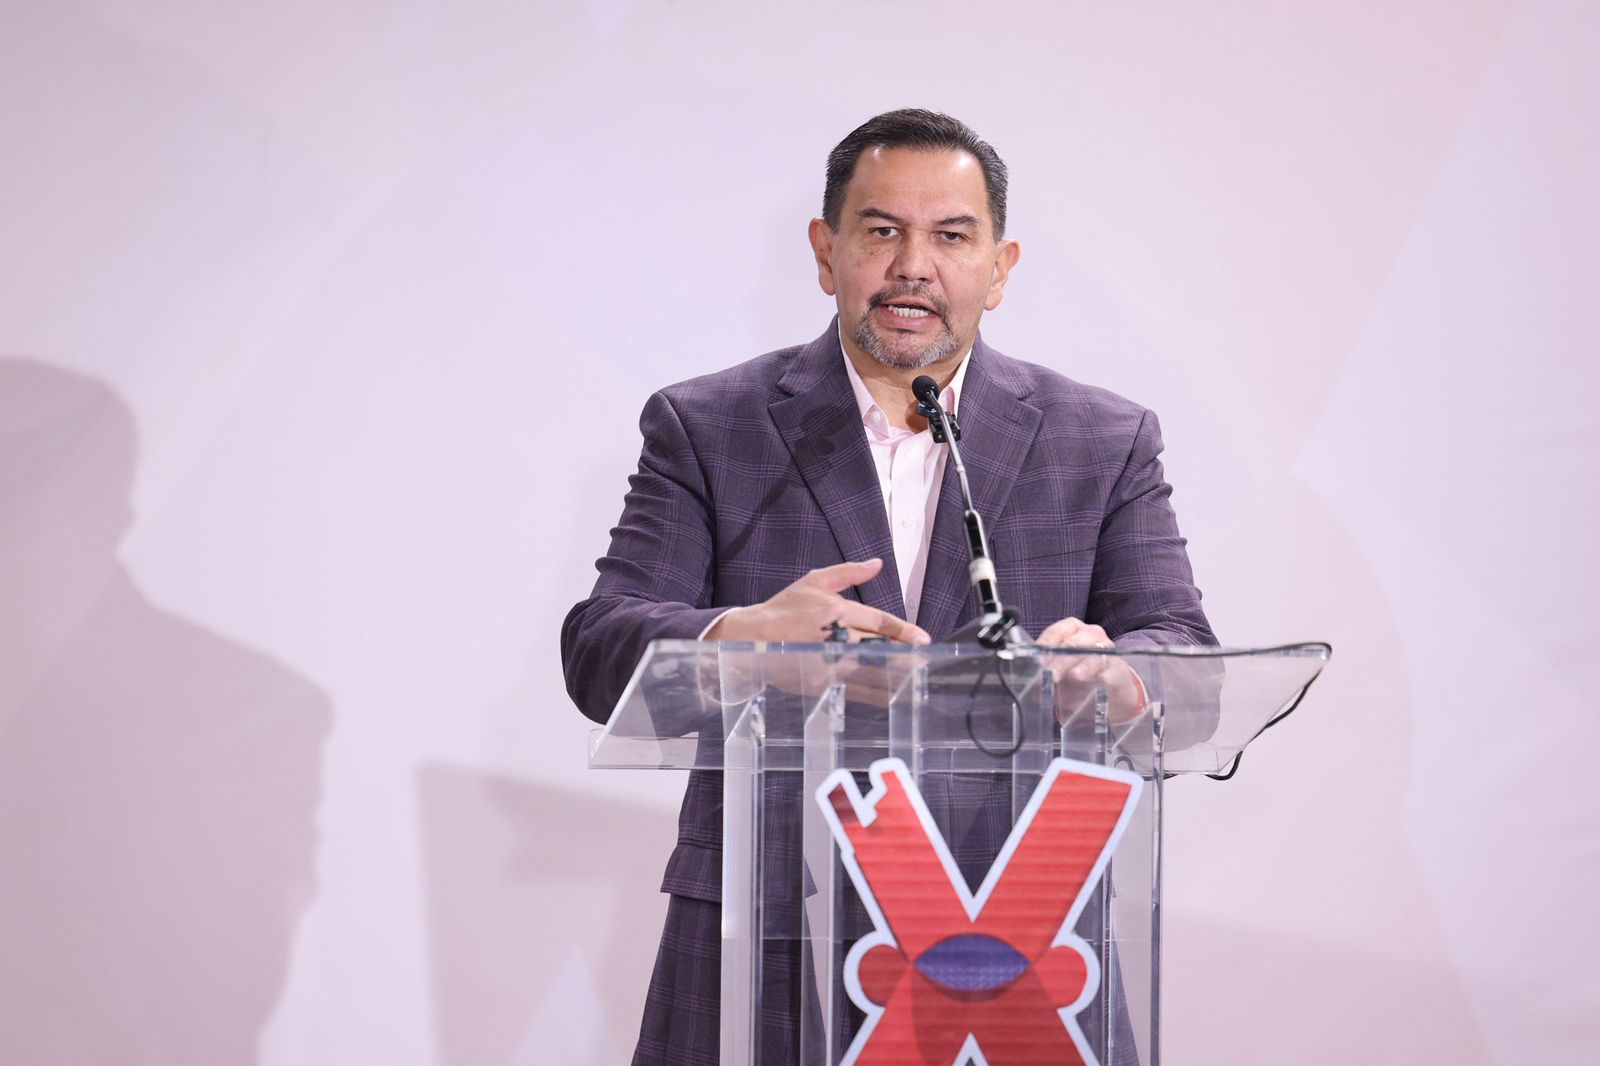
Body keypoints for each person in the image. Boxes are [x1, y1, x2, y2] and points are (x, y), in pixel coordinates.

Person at [562, 109, 1214, 1066]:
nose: (914, 266)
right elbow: (599, 648)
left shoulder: (1102, 440)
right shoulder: (710, 425)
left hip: (1016, 935)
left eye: (951, 236)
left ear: (1000, 268)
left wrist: (1121, 674)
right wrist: (742, 639)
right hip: (770, 932)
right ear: (826, 252)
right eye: (881, 231)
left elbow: (1184, 656)